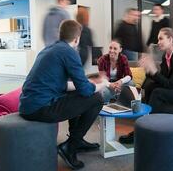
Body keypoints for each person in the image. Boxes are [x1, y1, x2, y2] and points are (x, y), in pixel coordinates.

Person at [19, 20, 108, 170]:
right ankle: (70, 147)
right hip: (41, 108)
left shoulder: (49, 49)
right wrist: (102, 84)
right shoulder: (69, 52)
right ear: (77, 38)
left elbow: (62, 85)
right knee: (97, 98)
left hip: (28, 105)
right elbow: (86, 90)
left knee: (77, 93)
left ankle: (76, 140)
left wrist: (89, 83)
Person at [119, 27, 173, 144]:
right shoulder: (166, 57)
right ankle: (144, 126)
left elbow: (170, 84)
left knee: (158, 92)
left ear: (170, 40)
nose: (158, 42)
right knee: (150, 86)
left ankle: (144, 130)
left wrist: (154, 71)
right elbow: (161, 79)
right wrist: (148, 69)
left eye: (161, 39)